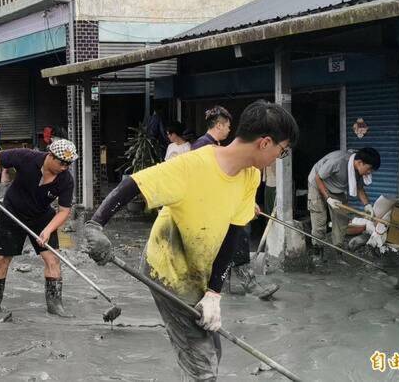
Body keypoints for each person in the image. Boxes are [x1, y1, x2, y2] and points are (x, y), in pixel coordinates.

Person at [84, 100, 298, 380]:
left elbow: (231, 238)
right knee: (202, 362)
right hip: (168, 268)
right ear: (265, 143)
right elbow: (133, 184)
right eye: (282, 151)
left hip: (198, 269)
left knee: (211, 347)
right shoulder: (193, 165)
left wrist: (213, 294)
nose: (279, 158)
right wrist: (95, 225)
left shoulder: (249, 178)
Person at [0, 139, 78, 317]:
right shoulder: (27, 157)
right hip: (12, 211)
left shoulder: (66, 180)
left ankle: (55, 305)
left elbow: (64, 211)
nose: (64, 167)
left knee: (53, 259)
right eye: (62, 163)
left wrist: (48, 230)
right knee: (1, 259)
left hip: (41, 216)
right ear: (50, 155)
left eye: (68, 164)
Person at [189, 106, 278, 299]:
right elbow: (207, 181)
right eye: (228, 126)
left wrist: (244, 201)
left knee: (232, 241)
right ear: (219, 125)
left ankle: (223, 288)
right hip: (209, 207)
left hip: (221, 205)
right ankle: (247, 283)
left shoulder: (216, 146)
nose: (230, 130)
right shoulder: (203, 146)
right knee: (238, 237)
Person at [307, 147, 380, 257]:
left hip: (336, 188)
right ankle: (317, 252)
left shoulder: (359, 171)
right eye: (369, 169)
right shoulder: (338, 161)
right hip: (317, 184)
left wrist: (367, 205)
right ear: (360, 163)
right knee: (319, 220)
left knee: (341, 219)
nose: (369, 172)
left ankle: (338, 251)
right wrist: (328, 198)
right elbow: (318, 177)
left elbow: (359, 188)